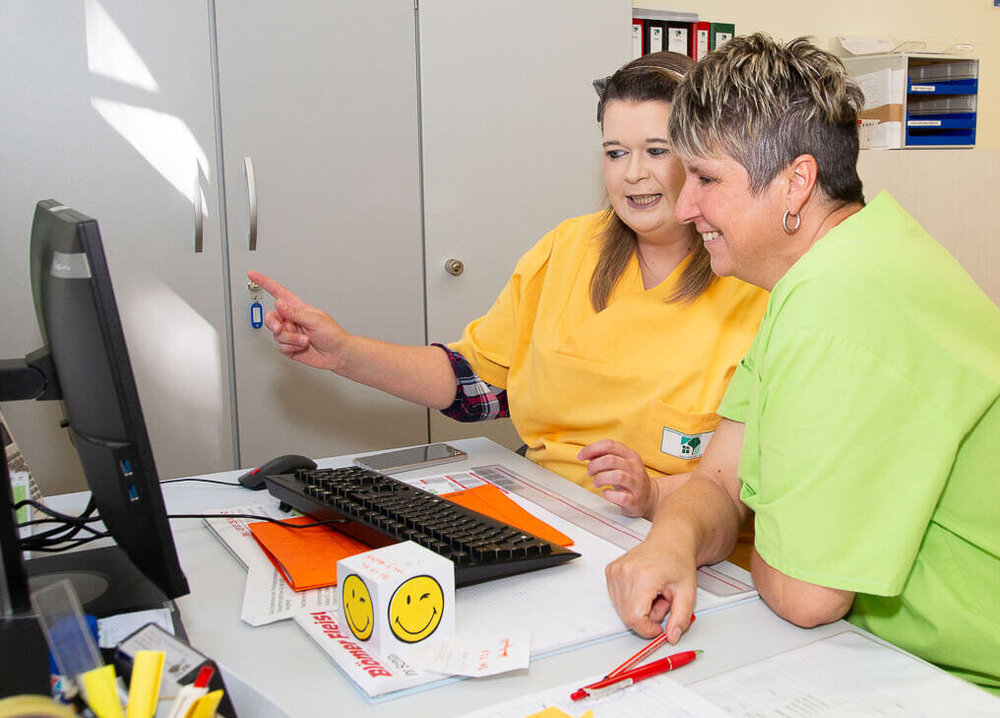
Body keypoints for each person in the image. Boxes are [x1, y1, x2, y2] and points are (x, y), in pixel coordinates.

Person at [605, 34, 1000, 695]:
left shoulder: (837, 299)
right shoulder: (847, 262)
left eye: (704, 179)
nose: (683, 208)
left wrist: (752, 531)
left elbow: (805, 595)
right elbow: (721, 482)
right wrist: (675, 538)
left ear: (796, 182)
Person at [249, 51, 768, 518]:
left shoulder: (754, 283)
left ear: (701, 156)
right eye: (614, 153)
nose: (632, 175)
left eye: (657, 150)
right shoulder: (565, 251)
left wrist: (655, 495)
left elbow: (751, 484)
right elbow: (478, 382)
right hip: (545, 507)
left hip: (684, 539)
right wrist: (344, 352)